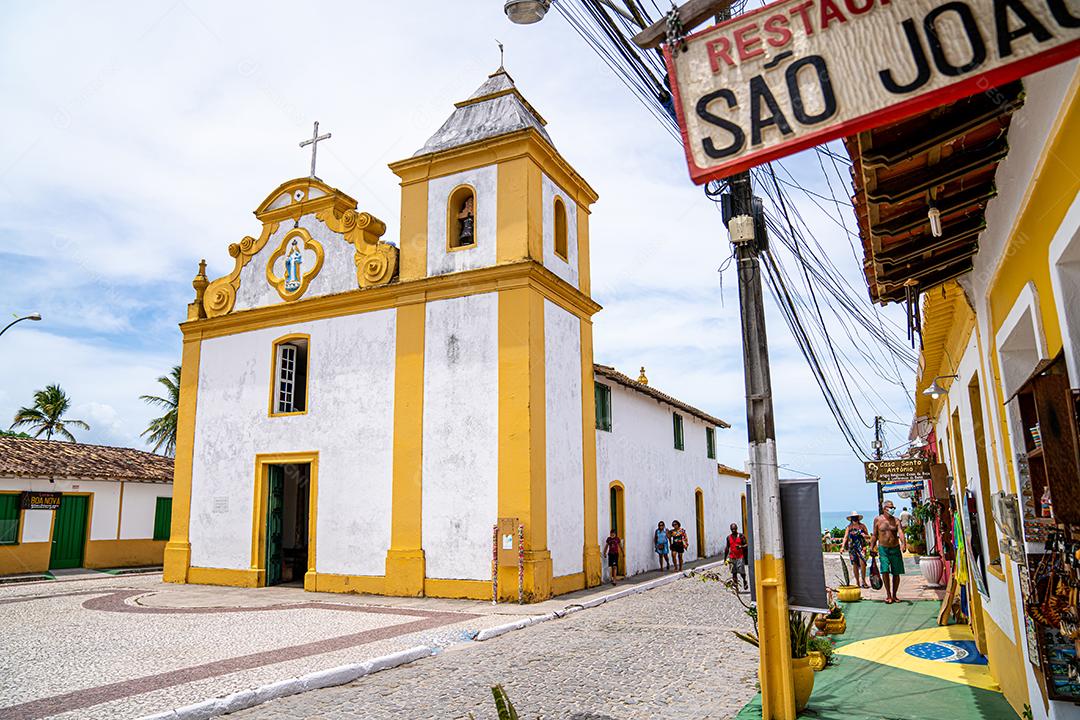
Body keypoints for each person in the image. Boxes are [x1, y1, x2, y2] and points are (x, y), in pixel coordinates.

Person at [870, 499, 907, 604]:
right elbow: (875, 535)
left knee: (896, 572)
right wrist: (871, 547)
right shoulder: (877, 520)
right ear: (884, 508)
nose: (892, 509)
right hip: (883, 549)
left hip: (895, 548)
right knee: (885, 570)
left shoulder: (896, 521)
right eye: (890, 507)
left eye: (893, 507)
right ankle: (888, 595)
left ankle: (895, 595)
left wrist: (904, 544)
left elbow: (900, 532)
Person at [841, 512, 870, 588]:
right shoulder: (849, 527)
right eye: (853, 517)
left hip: (861, 546)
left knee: (863, 563)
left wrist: (865, 535)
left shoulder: (862, 526)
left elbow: (868, 536)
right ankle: (857, 582)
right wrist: (842, 547)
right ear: (851, 519)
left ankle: (863, 581)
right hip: (852, 547)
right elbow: (845, 537)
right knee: (855, 564)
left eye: (856, 517)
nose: (855, 519)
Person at [724, 523, 749, 591]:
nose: (733, 530)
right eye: (732, 529)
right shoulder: (728, 537)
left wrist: (741, 546)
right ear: (730, 529)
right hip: (732, 557)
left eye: (735, 529)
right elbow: (727, 548)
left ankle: (744, 580)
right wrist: (725, 558)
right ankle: (736, 586)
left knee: (741, 571)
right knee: (734, 572)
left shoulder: (741, 536)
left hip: (740, 557)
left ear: (737, 528)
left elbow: (746, 545)